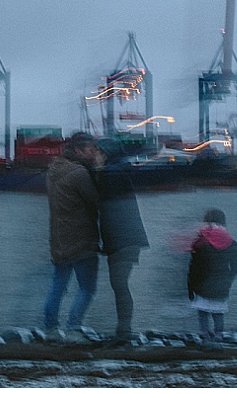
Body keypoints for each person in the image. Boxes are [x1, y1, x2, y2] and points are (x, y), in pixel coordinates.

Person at [43, 132, 105, 338]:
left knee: (58, 286)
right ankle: (73, 327)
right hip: (81, 239)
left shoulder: (53, 170)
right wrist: (99, 169)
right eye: (91, 149)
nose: (95, 153)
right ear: (78, 150)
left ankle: (50, 329)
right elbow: (96, 199)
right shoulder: (79, 173)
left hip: (58, 238)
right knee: (87, 288)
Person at [95, 137, 149, 342]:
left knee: (119, 285)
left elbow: (110, 211)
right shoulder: (117, 171)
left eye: (98, 152)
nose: (95, 156)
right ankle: (123, 329)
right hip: (127, 240)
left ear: (106, 154)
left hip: (122, 241)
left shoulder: (111, 174)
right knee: (120, 285)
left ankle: (124, 330)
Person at [187, 208, 237, 342]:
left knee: (203, 313)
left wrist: (190, 287)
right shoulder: (229, 241)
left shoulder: (200, 242)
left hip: (202, 284)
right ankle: (219, 335)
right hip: (222, 283)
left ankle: (204, 335)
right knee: (218, 313)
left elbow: (194, 268)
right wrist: (230, 275)